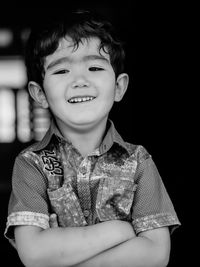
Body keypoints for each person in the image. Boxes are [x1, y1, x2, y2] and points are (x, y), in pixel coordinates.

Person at [4, 9, 180, 267]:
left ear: (118, 87)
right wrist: (119, 230)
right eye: (61, 71)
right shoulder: (32, 164)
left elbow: (156, 254)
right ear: (39, 94)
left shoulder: (139, 162)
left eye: (95, 67)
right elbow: (34, 254)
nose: (80, 80)